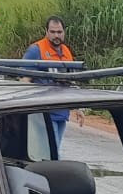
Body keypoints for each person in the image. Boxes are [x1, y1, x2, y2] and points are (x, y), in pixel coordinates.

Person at [22, 16, 84, 151]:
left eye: (59, 32)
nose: (56, 35)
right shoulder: (36, 50)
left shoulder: (66, 51)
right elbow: (24, 80)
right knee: (52, 152)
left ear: (64, 32)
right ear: (46, 32)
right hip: (44, 112)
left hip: (62, 111)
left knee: (52, 152)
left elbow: (70, 81)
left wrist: (78, 107)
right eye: (53, 32)